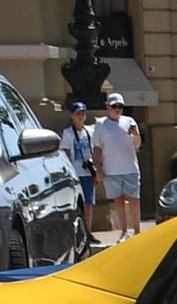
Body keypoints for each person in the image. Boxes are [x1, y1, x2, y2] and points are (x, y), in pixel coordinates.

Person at [89, 94, 143, 240]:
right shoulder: (101, 124)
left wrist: (135, 134)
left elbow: (137, 145)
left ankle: (137, 232)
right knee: (118, 201)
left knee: (134, 199)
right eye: (114, 106)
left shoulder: (129, 121)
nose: (117, 109)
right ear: (108, 107)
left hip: (130, 168)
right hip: (111, 169)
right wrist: (98, 167)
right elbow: (97, 147)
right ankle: (124, 231)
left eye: (120, 106)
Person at [58, 101, 98, 237]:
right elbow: (66, 153)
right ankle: (78, 233)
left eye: (82, 114)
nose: (80, 116)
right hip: (76, 173)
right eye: (78, 114)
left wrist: (96, 171)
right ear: (72, 116)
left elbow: (95, 151)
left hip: (88, 172)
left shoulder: (90, 132)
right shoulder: (68, 133)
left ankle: (88, 232)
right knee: (77, 204)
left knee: (89, 204)